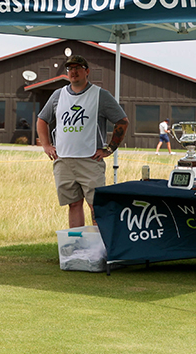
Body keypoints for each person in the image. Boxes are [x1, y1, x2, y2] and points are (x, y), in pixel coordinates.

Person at [35, 54, 129, 229]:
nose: (74, 72)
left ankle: (98, 246)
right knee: (73, 203)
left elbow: (122, 121)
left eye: (78, 68)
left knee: (96, 205)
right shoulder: (58, 95)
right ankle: (76, 247)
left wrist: (109, 148)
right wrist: (46, 145)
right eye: (70, 69)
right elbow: (42, 119)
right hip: (64, 161)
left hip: (90, 160)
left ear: (87, 71)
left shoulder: (100, 95)